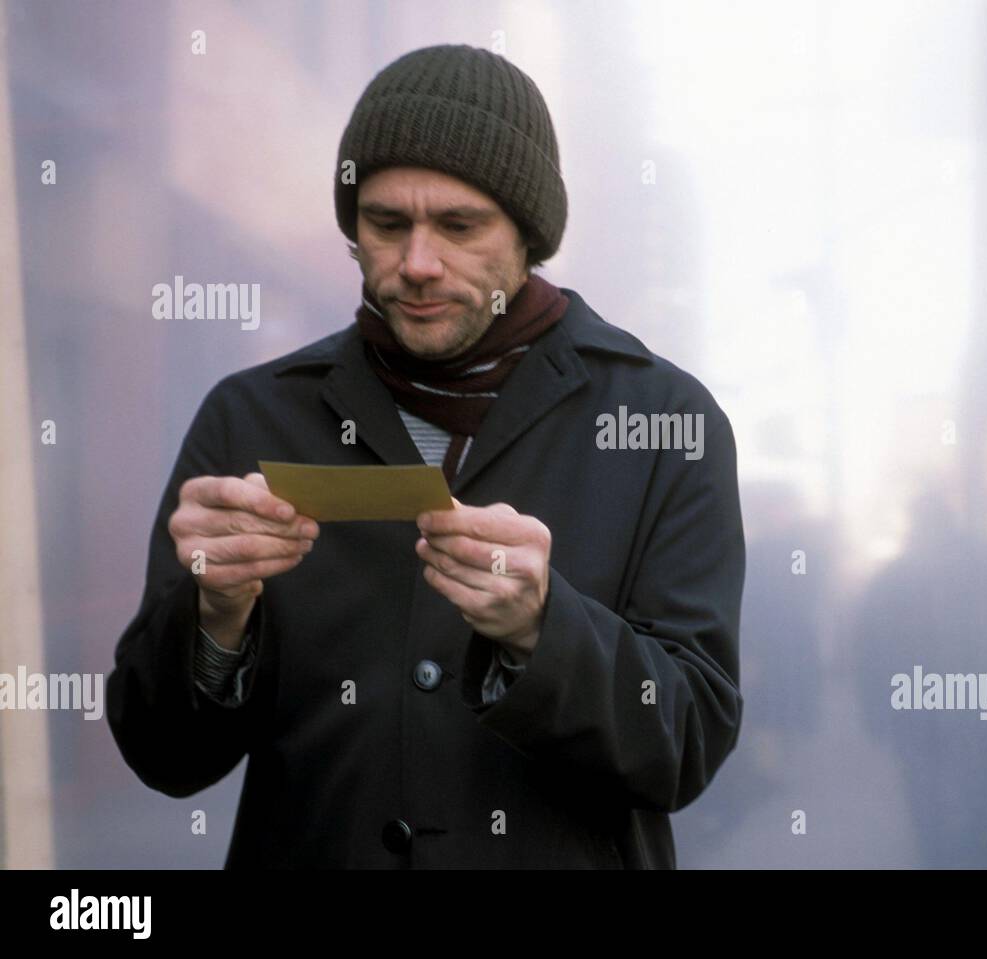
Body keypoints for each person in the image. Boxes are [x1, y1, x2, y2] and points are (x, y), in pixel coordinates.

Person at [106, 44, 745, 869]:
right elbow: (163, 757)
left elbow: (686, 741)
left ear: (529, 232)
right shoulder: (252, 416)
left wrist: (544, 632)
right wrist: (214, 621)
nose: (416, 263)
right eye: (385, 223)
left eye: (459, 225)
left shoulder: (666, 419)